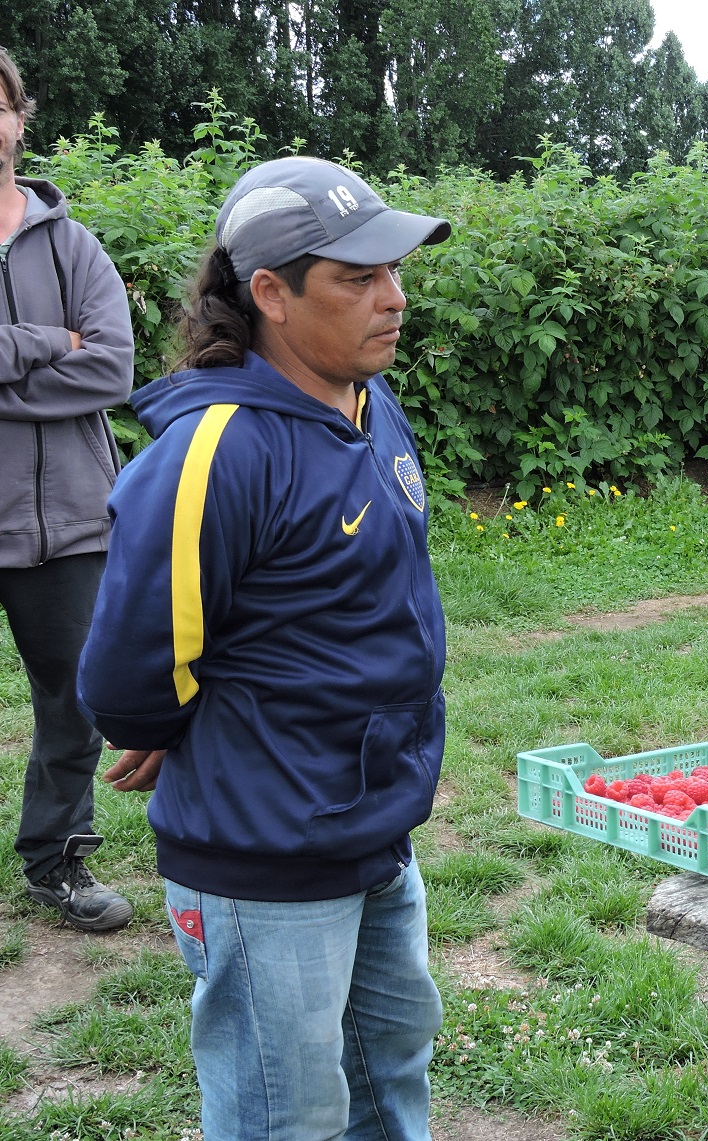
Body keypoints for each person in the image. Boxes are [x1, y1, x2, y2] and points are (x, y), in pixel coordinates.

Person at [76, 156, 451, 1140]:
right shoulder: (219, 448)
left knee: (390, 1074)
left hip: (375, 823)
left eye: (394, 271)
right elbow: (127, 666)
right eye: (358, 278)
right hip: (266, 848)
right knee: (286, 1117)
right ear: (272, 295)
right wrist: (171, 725)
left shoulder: (369, 406)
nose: (394, 298)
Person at [0, 46, 135, 931]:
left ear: (19, 118)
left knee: (77, 700)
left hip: (68, 522)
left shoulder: (74, 245)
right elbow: (79, 355)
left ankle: (57, 860)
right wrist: (51, 342)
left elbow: (113, 368)